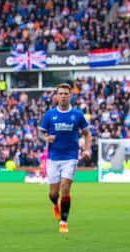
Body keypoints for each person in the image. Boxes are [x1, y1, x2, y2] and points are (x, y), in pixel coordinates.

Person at [38, 83, 91, 233]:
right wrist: (46, 138)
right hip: (53, 158)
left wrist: (87, 149)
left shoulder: (77, 115)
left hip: (70, 157)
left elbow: (87, 133)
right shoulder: (49, 115)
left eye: (65, 93)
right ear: (56, 96)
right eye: (60, 93)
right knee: (53, 193)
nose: (63, 96)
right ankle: (55, 205)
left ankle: (63, 222)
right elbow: (41, 132)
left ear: (70, 95)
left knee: (65, 188)